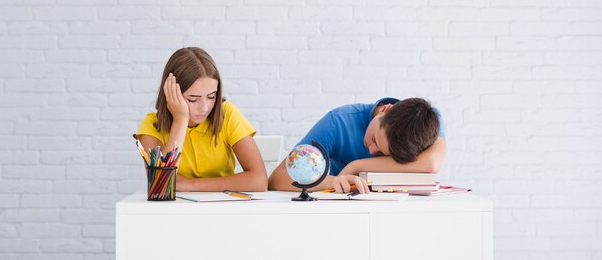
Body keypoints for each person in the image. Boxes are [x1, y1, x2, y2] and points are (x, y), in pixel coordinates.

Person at [137, 47, 267, 192]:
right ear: (171, 93)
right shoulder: (152, 125)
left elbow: (259, 181)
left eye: (211, 96)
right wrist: (180, 120)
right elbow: (161, 185)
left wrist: (191, 185)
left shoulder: (227, 114)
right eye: (193, 99)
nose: (204, 108)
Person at [268, 97, 446, 193]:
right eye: (375, 140)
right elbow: (278, 179)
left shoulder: (426, 123)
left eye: (383, 154)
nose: (371, 150)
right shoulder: (338, 122)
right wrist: (331, 181)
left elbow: (431, 164)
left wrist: (356, 166)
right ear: (385, 110)